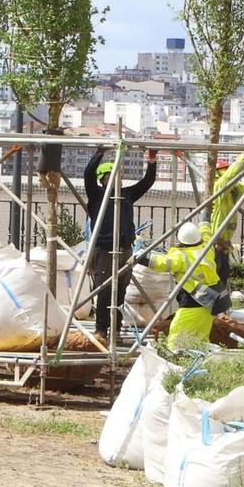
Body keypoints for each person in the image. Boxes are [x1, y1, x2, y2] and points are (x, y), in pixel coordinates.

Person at [81, 145, 157, 342]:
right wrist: (99, 153)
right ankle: (101, 330)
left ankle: (115, 330)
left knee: (120, 291)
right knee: (105, 291)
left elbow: (147, 182)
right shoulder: (97, 195)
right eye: (113, 175)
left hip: (124, 249)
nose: (118, 178)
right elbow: (88, 175)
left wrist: (151, 160)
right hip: (105, 250)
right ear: (105, 178)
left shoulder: (127, 195)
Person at [147, 220, 223, 353]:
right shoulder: (207, 247)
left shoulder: (181, 255)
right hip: (214, 299)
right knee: (201, 337)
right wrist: (204, 217)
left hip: (195, 300)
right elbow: (206, 232)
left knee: (176, 338)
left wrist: (143, 258)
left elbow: (163, 263)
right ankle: (200, 364)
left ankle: (176, 365)